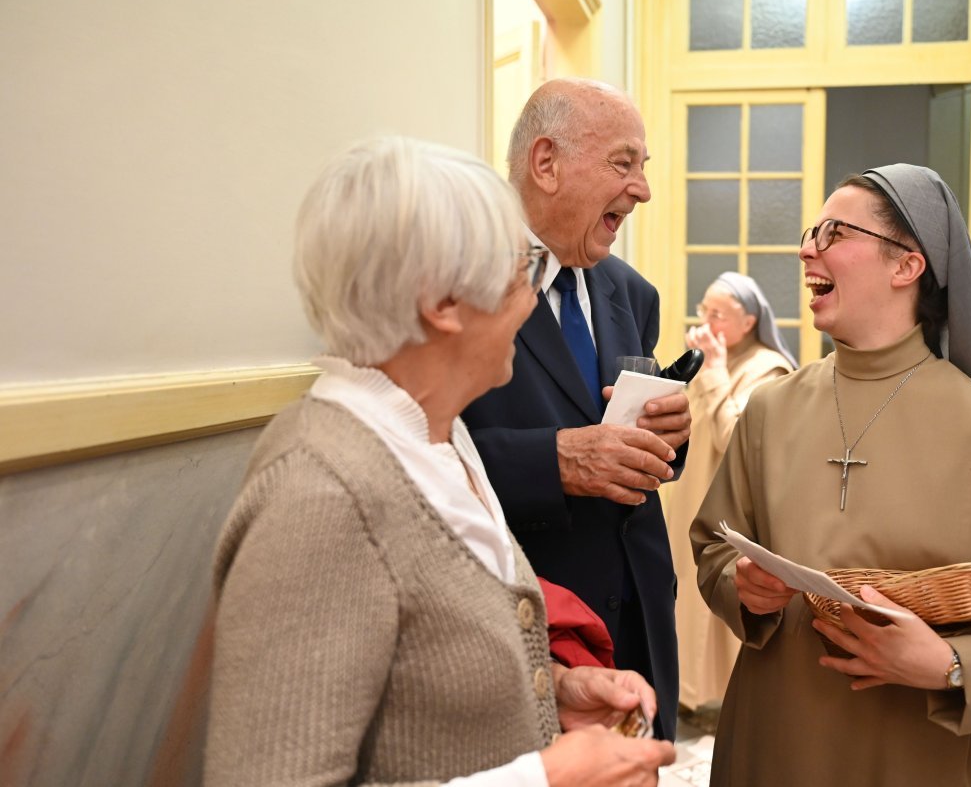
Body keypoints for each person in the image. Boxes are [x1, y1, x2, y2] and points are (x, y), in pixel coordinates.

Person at [204, 136, 675, 786]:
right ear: (441, 301)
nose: (534, 300)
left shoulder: (441, 439)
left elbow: (423, 678)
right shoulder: (320, 493)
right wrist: (545, 779)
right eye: (520, 274)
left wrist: (552, 692)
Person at [691, 164, 971, 785]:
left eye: (834, 232)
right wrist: (742, 587)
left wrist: (952, 663)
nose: (806, 247)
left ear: (906, 265)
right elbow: (711, 548)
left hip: (920, 753)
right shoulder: (770, 408)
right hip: (775, 740)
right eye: (812, 230)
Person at [461, 78, 690, 740]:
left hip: (639, 629)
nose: (642, 189)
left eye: (643, 167)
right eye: (625, 162)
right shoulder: (464, 280)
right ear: (545, 162)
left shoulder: (631, 293)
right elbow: (425, 454)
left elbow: (634, 454)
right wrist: (555, 462)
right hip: (528, 641)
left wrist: (670, 434)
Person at [665, 272, 795, 710]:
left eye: (717, 314)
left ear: (749, 321)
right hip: (693, 498)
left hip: (733, 514)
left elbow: (737, 440)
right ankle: (690, 696)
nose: (705, 322)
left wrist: (716, 371)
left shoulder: (769, 369)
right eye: (703, 310)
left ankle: (724, 702)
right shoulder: (710, 359)